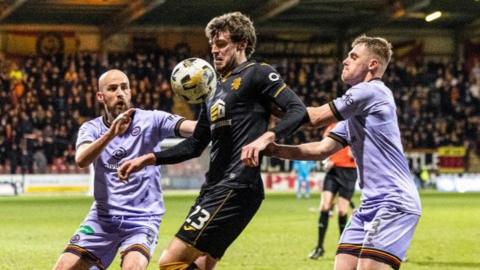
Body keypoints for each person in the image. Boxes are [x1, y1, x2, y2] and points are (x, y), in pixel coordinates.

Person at [117, 12, 307, 270]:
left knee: (169, 262)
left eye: (221, 44)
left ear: (241, 44)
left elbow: (297, 110)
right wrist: (151, 158)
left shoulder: (258, 73)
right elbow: (196, 144)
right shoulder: (212, 90)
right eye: (212, 46)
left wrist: (267, 137)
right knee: (203, 264)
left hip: (237, 184)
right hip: (216, 187)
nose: (214, 52)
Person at [260, 35, 421, 270]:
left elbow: (313, 118)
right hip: (369, 205)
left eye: (353, 56)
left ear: (372, 65)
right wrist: (274, 150)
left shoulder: (371, 92)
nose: (345, 61)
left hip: (394, 201)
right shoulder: (355, 112)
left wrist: (269, 101)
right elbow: (322, 149)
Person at [53, 69, 196, 270]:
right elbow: (82, 160)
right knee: (63, 267)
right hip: (102, 218)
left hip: (142, 218)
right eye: (112, 89)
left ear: (130, 92)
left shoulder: (152, 120)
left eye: (124, 87)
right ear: (100, 96)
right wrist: (110, 135)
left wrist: (216, 111)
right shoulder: (91, 128)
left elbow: (195, 129)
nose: (120, 93)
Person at [309, 122, 357, 259]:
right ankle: (319, 247)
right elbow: (324, 146)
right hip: (333, 171)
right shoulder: (331, 127)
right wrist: (325, 161)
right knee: (324, 206)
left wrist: (356, 151)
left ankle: (343, 249)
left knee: (342, 211)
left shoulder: (356, 125)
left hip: (350, 171)